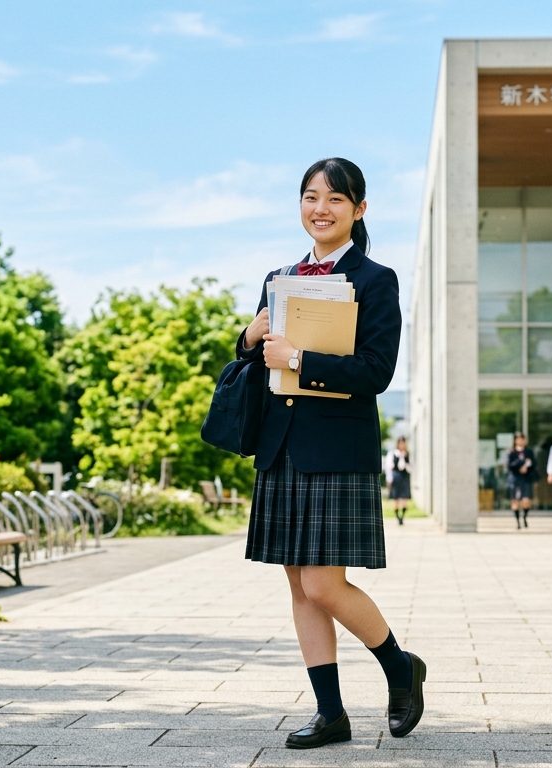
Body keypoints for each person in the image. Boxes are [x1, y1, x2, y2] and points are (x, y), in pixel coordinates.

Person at [237, 158, 424, 750]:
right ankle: (330, 713)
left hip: (338, 448)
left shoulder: (375, 279)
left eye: (336, 199)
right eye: (311, 197)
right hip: (282, 447)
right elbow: (254, 357)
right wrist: (249, 338)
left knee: (322, 584)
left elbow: (377, 372)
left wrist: (296, 359)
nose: (321, 208)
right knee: (299, 585)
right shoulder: (279, 275)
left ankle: (400, 667)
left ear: (359, 209)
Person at [506, 433, 536, 529]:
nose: (520, 441)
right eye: (518, 439)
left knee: (526, 500)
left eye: (521, 439)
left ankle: (525, 517)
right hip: (515, 479)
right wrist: (520, 463)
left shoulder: (529, 452)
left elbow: (534, 463)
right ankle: (518, 521)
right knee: (515, 500)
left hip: (526, 479)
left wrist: (528, 466)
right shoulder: (511, 452)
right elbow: (510, 465)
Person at [384, 438, 411, 525]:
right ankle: (398, 517)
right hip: (396, 478)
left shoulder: (407, 454)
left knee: (404, 498)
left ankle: (402, 517)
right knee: (396, 498)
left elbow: (410, 467)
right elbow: (389, 468)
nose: (402, 445)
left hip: (404, 477)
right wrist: (389, 479)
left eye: (403, 443)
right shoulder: (393, 454)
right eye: (400, 443)